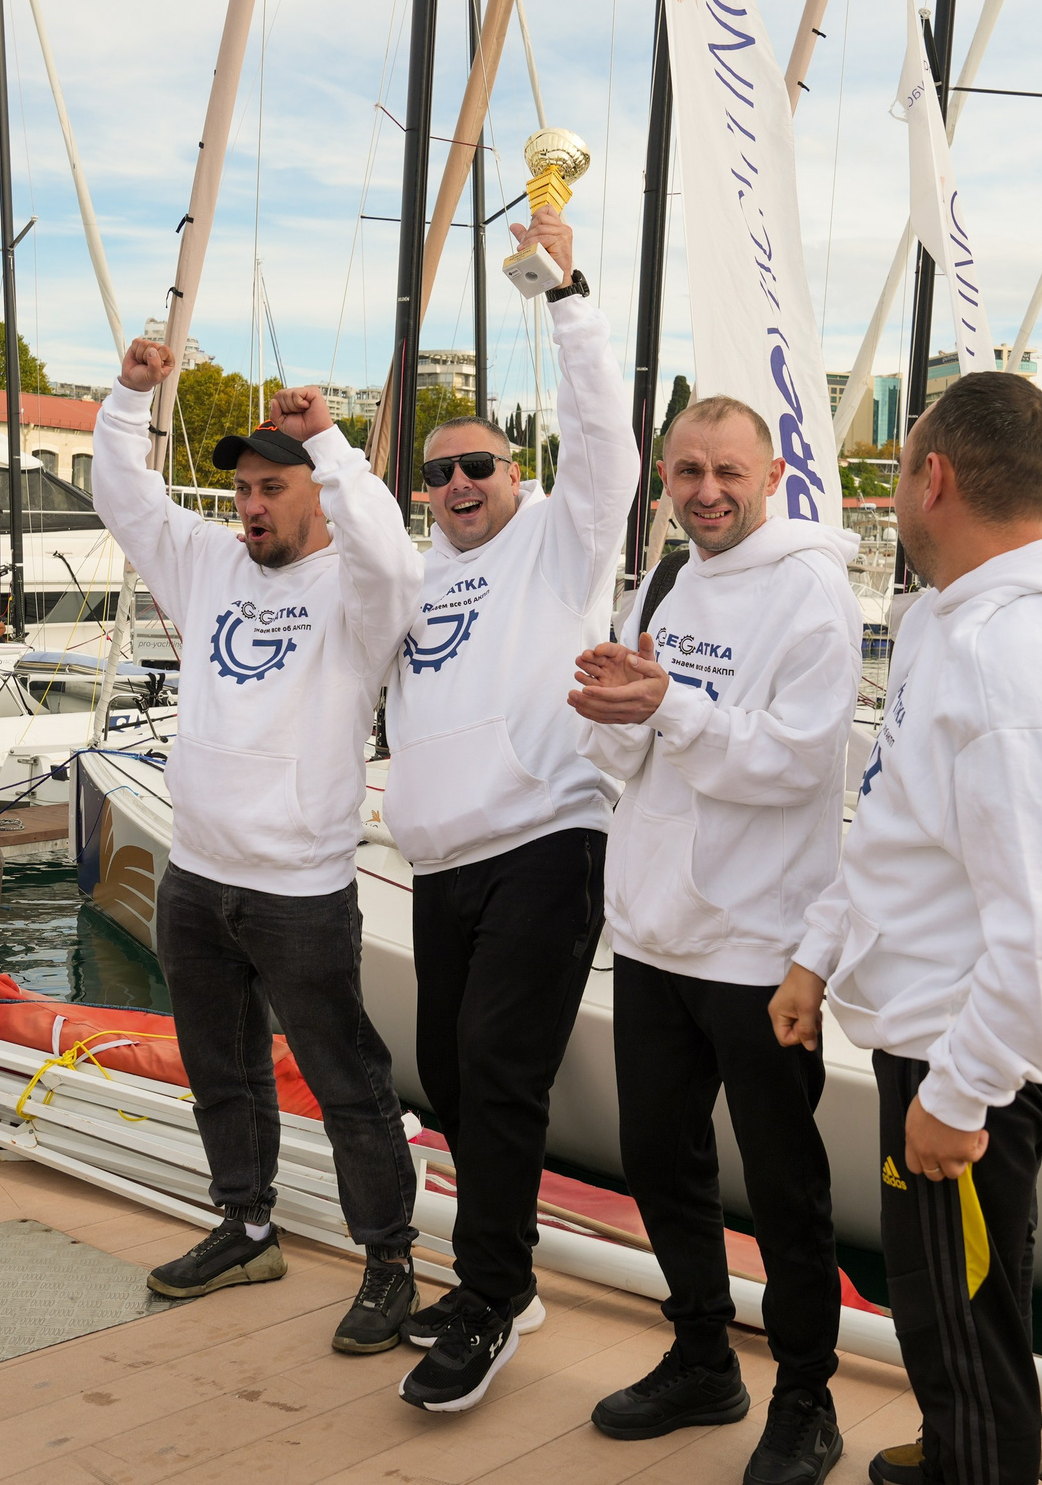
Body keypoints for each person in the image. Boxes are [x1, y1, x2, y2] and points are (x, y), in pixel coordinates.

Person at [771, 373, 1042, 1485]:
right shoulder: (959, 627)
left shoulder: (1017, 656)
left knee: (964, 1338)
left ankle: (979, 1463)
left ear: (932, 477)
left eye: (899, 471)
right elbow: (904, 816)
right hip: (943, 1029)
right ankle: (957, 1457)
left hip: (967, 1051)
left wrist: (958, 1096)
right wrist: (819, 952)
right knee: (946, 1320)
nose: (894, 496)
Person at [91, 349, 426, 1354]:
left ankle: (390, 1261)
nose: (249, 505)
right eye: (240, 488)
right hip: (197, 873)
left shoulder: (359, 596)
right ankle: (244, 1225)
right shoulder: (207, 567)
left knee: (348, 1083)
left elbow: (398, 562)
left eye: (272, 487)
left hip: (299, 887)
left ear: (316, 492)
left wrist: (330, 440)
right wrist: (129, 395)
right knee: (220, 1070)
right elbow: (124, 497)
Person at [570, 396, 863, 1485]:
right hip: (653, 935)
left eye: (727, 472)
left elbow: (796, 761)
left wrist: (668, 709)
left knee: (784, 1185)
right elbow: (646, 738)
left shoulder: (810, 593)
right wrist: (611, 719)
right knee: (659, 1158)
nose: (706, 492)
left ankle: (806, 1397)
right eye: (687, 471)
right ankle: (702, 1355)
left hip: (758, 946)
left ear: (773, 471)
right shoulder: (669, 576)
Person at [382, 208, 638, 1413]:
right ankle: (507, 1276)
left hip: (546, 838)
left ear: (515, 476)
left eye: (478, 464)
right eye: (437, 471)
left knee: (497, 1065)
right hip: (441, 863)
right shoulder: (416, 576)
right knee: (447, 1068)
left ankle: (488, 1302)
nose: (457, 484)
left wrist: (566, 295)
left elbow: (608, 448)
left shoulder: (559, 543)